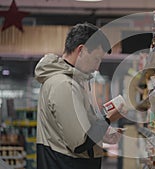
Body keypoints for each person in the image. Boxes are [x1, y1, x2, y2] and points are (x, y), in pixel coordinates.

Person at [34, 22, 124, 169]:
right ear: (81, 50)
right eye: (96, 59)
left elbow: (77, 132)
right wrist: (108, 118)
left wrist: (103, 133)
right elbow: (80, 143)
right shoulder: (64, 85)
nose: (97, 67)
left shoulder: (74, 82)